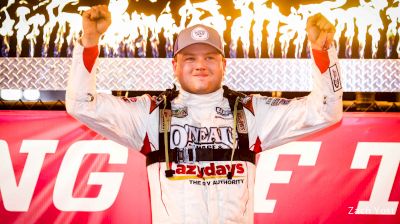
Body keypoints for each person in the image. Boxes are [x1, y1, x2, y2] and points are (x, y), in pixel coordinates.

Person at [66, 5, 343, 224]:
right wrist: (89, 41)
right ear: (175, 65)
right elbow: (81, 103)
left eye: (209, 57)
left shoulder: (249, 111)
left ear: (224, 64)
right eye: (190, 58)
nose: (200, 65)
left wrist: (322, 53)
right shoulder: (150, 113)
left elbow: (325, 111)